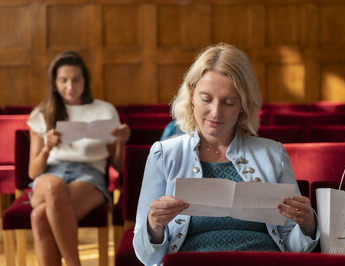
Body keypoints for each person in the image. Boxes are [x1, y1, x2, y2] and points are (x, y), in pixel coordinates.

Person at [133, 43, 320, 266]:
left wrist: (308, 226)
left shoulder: (273, 153)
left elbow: (293, 246)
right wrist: (153, 225)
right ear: (192, 95)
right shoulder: (164, 154)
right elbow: (147, 257)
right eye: (206, 99)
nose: (216, 112)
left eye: (229, 102)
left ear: (243, 105)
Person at [27, 50, 130, 266]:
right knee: (54, 187)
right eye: (63, 80)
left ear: (85, 80)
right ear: (54, 83)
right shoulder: (41, 113)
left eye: (76, 79)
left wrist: (121, 142)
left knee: (40, 217)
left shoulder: (104, 110)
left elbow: (119, 167)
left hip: (89, 176)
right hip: (49, 176)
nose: (70, 86)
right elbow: (33, 172)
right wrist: (47, 148)